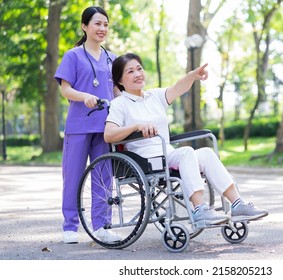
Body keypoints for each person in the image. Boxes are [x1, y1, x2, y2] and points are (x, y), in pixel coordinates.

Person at [104, 53, 269, 225]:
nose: (137, 74)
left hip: (167, 154)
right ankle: (199, 209)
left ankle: (237, 204)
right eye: (130, 72)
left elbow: (177, 88)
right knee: (186, 153)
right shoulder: (119, 104)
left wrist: (192, 76)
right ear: (120, 81)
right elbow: (109, 134)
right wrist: (136, 126)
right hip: (146, 160)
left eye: (139, 69)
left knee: (206, 153)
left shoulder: (155, 96)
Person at [54, 6, 121, 244]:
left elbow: (117, 92)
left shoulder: (112, 58)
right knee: (72, 177)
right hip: (79, 125)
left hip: (106, 127)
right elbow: (65, 89)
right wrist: (84, 97)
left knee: (104, 177)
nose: (102, 29)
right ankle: (70, 227)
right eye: (97, 24)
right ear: (84, 26)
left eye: (105, 24)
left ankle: (101, 226)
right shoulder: (73, 56)